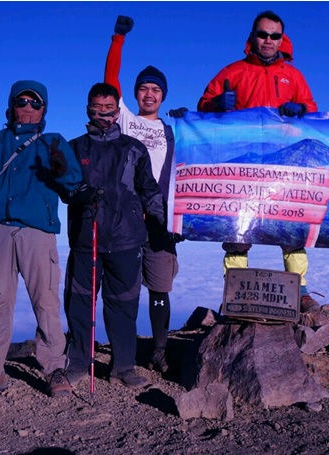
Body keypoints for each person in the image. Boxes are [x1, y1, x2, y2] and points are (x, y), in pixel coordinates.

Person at [0, 80, 82, 398]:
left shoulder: (53, 141)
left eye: (35, 103)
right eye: (21, 101)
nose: (28, 106)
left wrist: (61, 170)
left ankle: (54, 370)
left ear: (44, 110)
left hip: (37, 231)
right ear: (11, 107)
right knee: (0, 302)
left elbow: (73, 183)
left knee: (46, 302)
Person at [197, 10, 320, 312]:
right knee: (237, 228)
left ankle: (299, 289)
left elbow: (313, 112)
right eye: (262, 34)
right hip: (244, 164)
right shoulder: (232, 72)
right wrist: (215, 104)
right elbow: (202, 107)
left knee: (291, 226)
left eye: (274, 35)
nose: (268, 40)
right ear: (252, 36)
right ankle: (234, 288)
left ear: (282, 40)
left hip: (284, 166)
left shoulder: (294, 76)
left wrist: (302, 110)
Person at [62, 82, 166, 389]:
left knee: (123, 304)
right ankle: (79, 362)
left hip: (126, 238)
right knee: (80, 303)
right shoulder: (75, 147)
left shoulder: (133, 148)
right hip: (86, 238)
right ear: (88, 110)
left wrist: (161, 224)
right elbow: (64, 189)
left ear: (117, 111)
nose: (104, 114)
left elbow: (149, 189)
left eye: (109, 109)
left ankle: (123, 366)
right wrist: (79, 192)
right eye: (97, 108)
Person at [103, 15, 186, 374]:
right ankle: (125, 354)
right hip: (126, 216)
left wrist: (191, 121)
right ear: (135, 93)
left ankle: (159, 351)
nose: (149, 93)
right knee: (126, 288)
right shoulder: (124, 119)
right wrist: (118, 40)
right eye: (144, 88)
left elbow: (195, 166)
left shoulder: (172, 131)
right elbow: (109, 80)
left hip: (161, 219)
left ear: (163, 95)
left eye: (156, 90)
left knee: (159, 287)